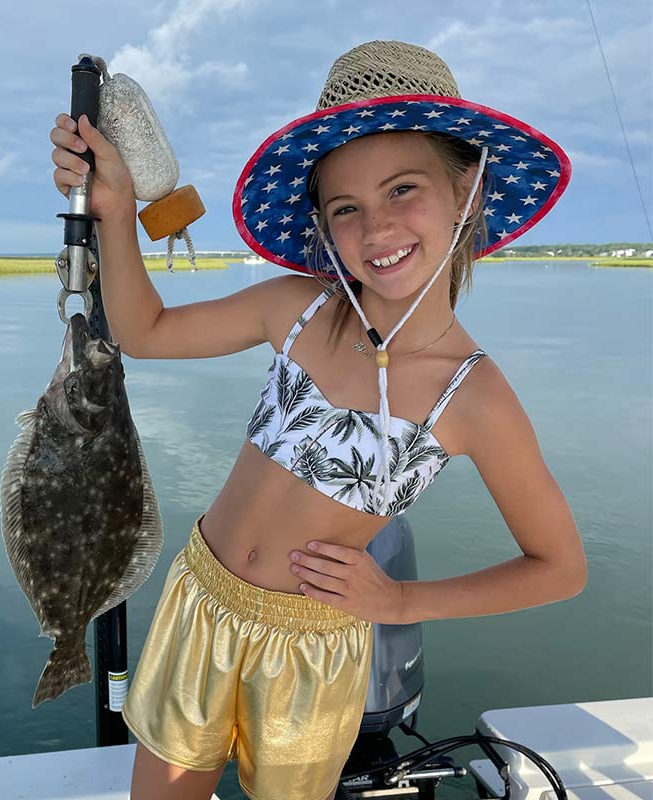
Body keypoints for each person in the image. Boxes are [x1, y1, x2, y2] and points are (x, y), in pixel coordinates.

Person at [50, 39, 587, 800]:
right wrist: (113, 209)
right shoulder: (298, 308)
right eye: (346, 208)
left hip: (311, 646)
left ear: (468, 190)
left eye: (404, 189)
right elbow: (146, 332)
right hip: (201, 598)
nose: (376, 229)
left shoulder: (475, 396)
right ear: (323, 223)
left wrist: (400, 601)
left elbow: (560, 568)